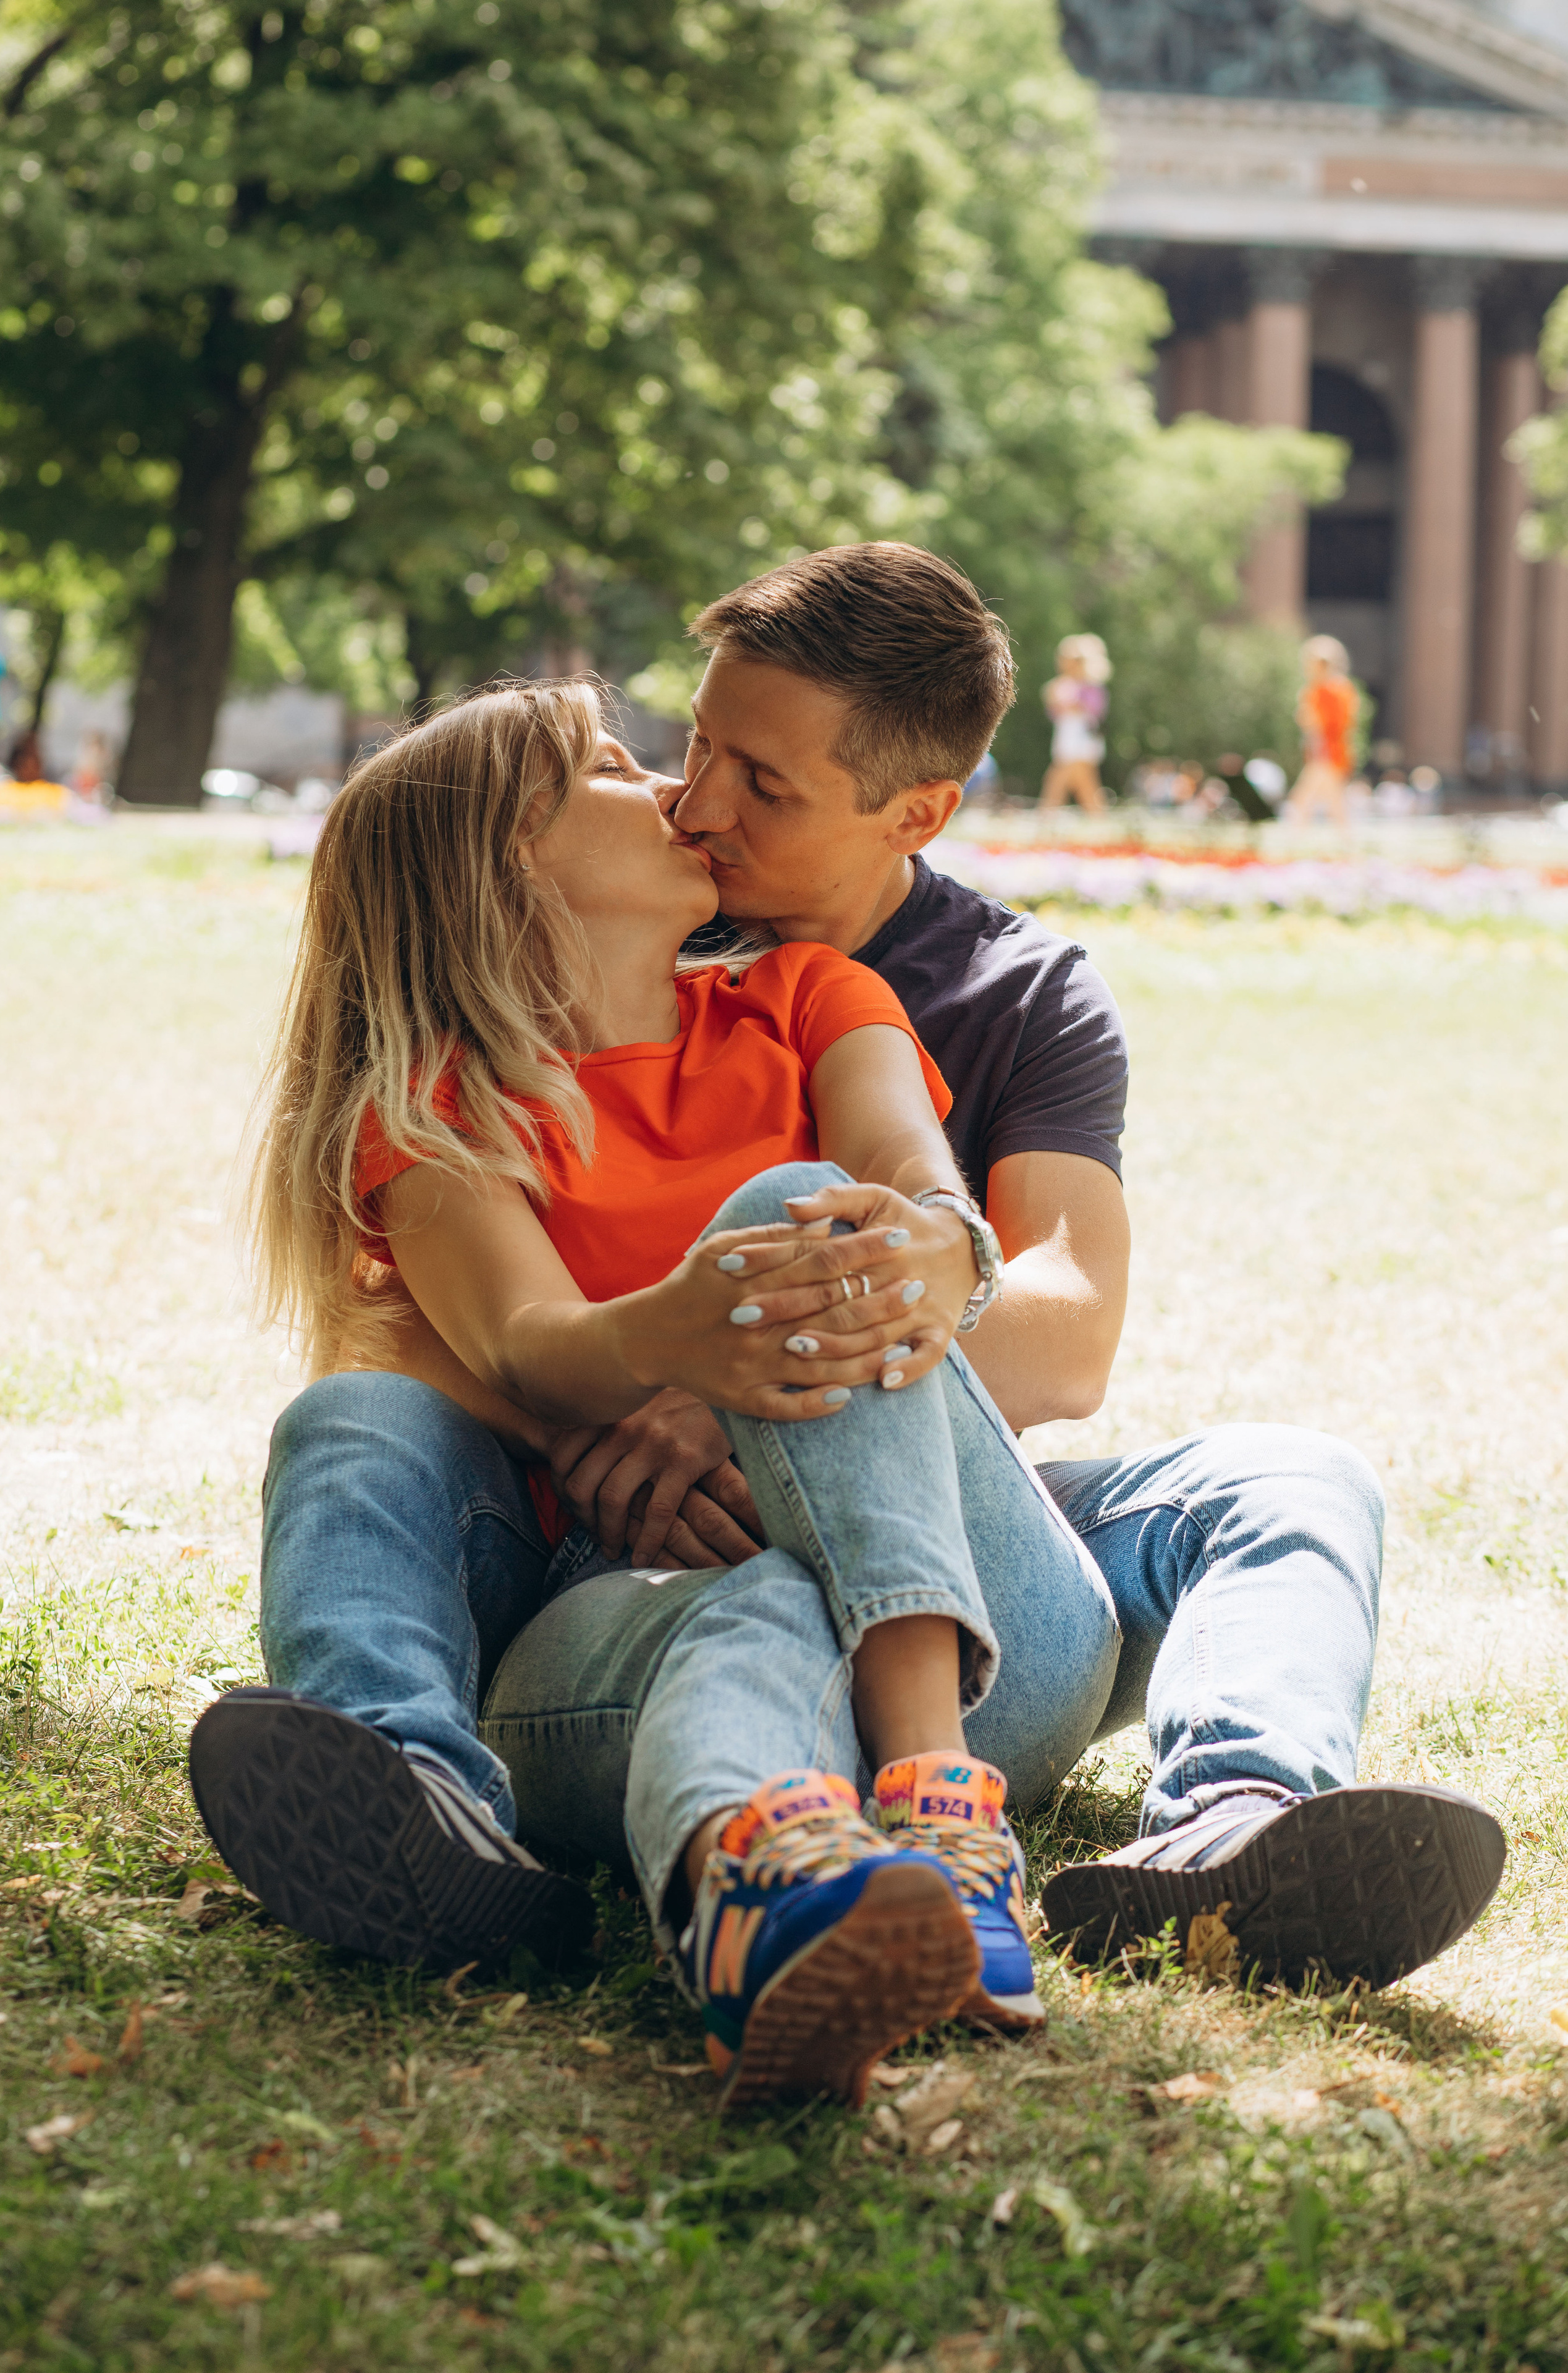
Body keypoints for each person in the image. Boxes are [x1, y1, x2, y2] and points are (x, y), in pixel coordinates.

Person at [483, 546, 1501, 1996]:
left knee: (1296, 1477)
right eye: (697, 741)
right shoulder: (623, 918)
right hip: (665, 1566)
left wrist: (746, 1376)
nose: (693, 804)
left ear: (918, 812)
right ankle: (812, 1843)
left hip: (950, 1554)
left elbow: (1070, 1329)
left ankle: (1230, 1829)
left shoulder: (1018, 993)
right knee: (813, 1233)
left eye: (760, 784)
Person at [193, 678, 1108, 2107]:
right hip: (650, 1605)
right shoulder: (441, 1102)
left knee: (811, 1208)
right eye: (619, 768)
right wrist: (676, 1335)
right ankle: (498, 1828)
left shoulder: (812, 997)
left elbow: (907, 1179)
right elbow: (519, 1340)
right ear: (512, 856)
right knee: (359, 1424)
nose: (682, 795)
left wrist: (908, 1247)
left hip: (979, 1621)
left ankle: (938, 1803)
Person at [1288, 636, 1359, 827]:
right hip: (1334, 753)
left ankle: (1294, 840)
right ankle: (1347, 842)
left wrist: (1319, 749)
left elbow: (1320, 726)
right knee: (1334, 803)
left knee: (1303, 800)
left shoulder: (1324, 690)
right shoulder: (1343, 689)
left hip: (1326, 754)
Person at [1040, 634, 1110, 813]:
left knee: (1058, 778)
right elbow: (1055, 713)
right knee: (1085, 784)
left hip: (1082, 738)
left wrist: (1072, 704)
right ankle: (1098, 817)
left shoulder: (1092, 686)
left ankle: (1047, 814)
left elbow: (1095, 710)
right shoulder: (1062, 685)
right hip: (1068, 736)